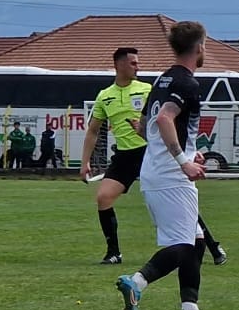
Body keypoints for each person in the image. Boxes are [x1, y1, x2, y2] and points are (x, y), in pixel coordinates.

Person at [114, 21, 218, 310]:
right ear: (199, 48)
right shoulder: (186, 83)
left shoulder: (161, 79)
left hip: (157, 171)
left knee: (196, 241)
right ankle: (137, 282)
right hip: (171, 176)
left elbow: (144, 123)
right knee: (184, 246)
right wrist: (183, 160)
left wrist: (187, 150)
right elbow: (162, 118)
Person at [83, 47, 226, 267]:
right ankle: (114, 253)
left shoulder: (149, 88)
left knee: (179, 201)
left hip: (151, 153)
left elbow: (174, 121)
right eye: (133, 63)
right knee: (103, 197)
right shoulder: (105, 96)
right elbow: (93, 130)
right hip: (125, 156)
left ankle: (212, 245)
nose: (137, 67)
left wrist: (189, 149)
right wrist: (85, 163)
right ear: (118, 64)